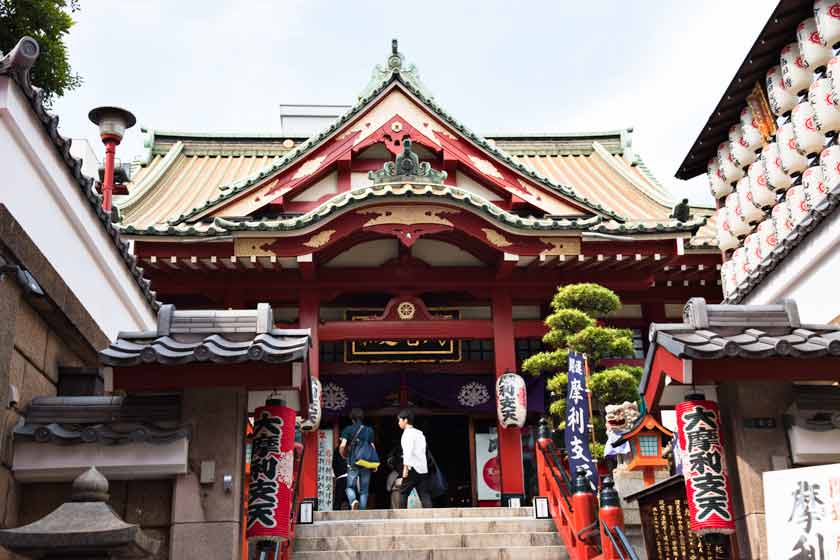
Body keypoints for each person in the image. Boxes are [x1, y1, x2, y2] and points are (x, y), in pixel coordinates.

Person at [339, 408, 375, 510]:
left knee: (350, 487)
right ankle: (362, 511)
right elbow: (372, 447)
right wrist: (374, 463)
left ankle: (353, 500)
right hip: (366, 463)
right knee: (364, 490)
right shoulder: (369, 430)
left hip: (353, 463)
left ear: (352, 418)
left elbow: (342, 445)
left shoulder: (348, 429)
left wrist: (344, 455)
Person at [397, 409, 433, 508]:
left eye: (399, 420)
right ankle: (431, 518)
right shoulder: (420, 434)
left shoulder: (407, 434)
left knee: (403, 493)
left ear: (405, 420)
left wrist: (405, 468)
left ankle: (401, 517)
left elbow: (407, 452)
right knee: (424, 495)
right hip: (422, 468)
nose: (398, 423)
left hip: (412, 468)